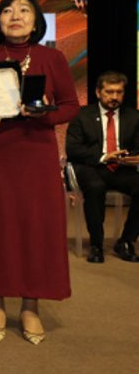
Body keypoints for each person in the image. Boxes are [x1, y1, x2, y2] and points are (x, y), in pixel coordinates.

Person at [0, 0, 79, 344]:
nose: (15, 15)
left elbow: (70, 105)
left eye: (24, 10)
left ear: (36, 20)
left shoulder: (51, 57)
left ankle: (30, 305)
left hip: (36, 156)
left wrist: (45, 115)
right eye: (7, 10)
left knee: (35, 229)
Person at [66, 71, 139, 263]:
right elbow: (72, 149)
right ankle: (96, 245)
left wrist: (131, 158)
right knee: (95, 188)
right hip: (91, 167)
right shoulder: (82, 115)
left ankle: (126, 241)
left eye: (119, 92)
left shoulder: (134, 116)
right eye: (109, 92)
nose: (114, 97)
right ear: (98, 93)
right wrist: (105, 156)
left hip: (122, 169)